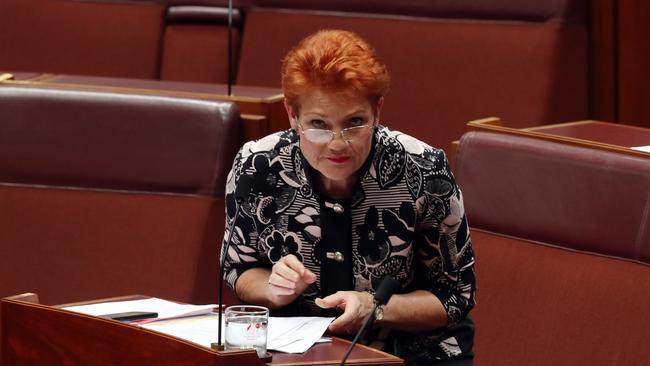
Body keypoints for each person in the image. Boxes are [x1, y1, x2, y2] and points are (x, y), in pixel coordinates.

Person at [221, 29, 476, 365]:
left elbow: (455, 295)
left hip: (409, 356)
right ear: (292, 115)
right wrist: (272, 287)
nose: (337, 143)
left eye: (355, 122)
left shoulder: (425, 172)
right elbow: (239, 268)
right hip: (295, 356)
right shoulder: (257, 167)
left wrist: (377, 309)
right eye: (318, 124)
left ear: (378, 112)